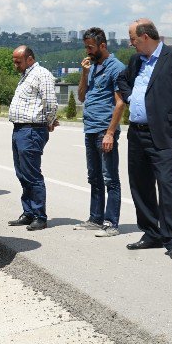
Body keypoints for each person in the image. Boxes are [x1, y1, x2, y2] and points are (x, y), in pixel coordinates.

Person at [117, 19, 172, 261]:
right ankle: (152, 233)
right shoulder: (136, 61)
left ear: (146, 37)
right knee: (140, 185)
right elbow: (122, 80)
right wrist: (132, 97)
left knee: (166, 185)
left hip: (162, 133)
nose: (130, 44)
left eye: (133, 39)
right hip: (137, 133)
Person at [73, 27, 126, 237]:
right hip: (90, 129)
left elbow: (120, 103)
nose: (87, 51)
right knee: (94, 177)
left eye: (90, 47)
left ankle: (111, 223)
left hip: (105, 130)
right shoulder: (92, 67)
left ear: (102, 45)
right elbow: (82, 97)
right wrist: (84, 74)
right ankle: (95, 218)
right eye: (86, 47)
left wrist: (110, 133)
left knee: (110, 179)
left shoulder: (117, 68)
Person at [7, 46, 59, 231]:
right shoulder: (26, 75)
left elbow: (51, 103)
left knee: (32, 174)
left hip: (31, 130)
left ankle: (39, 216)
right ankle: (28, 212)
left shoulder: (41, 74)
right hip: (20, 129)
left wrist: (49, 122)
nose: (15, 65)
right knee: (22, 174)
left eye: (18, 61)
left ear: (29, 59)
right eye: (14, 61)